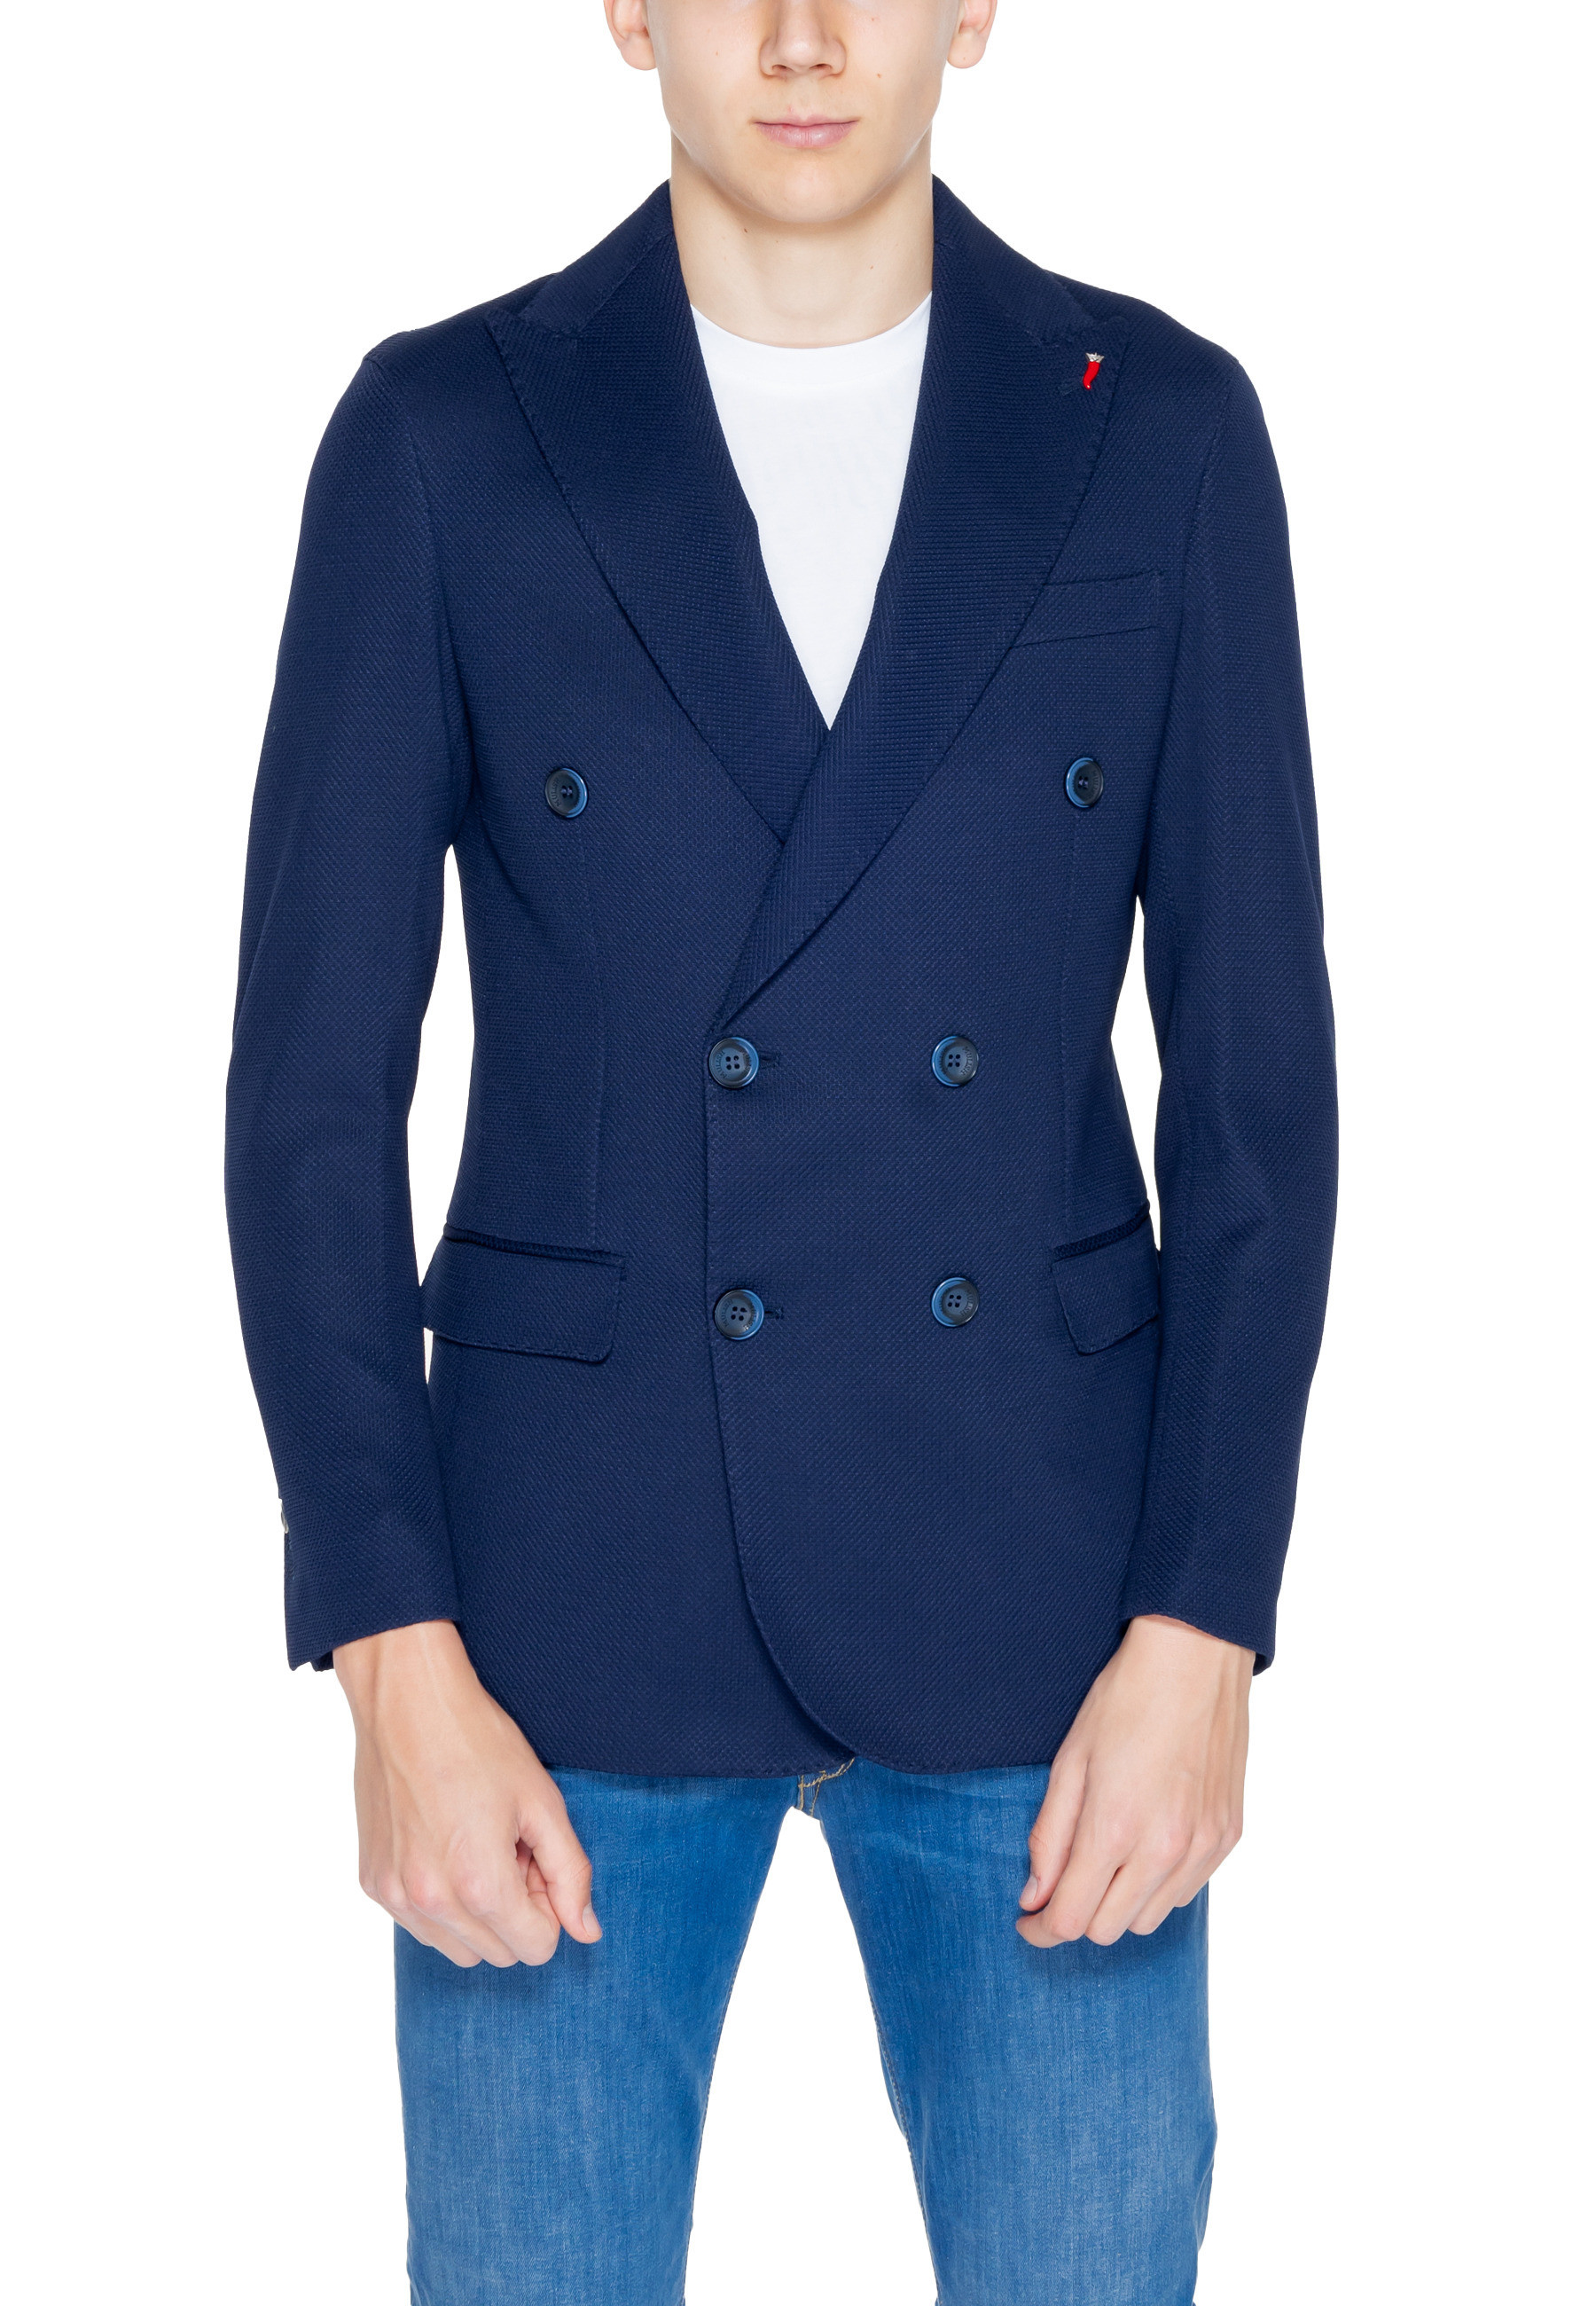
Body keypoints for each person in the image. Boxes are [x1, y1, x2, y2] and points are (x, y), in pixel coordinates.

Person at [225, 2, 1337, 2298]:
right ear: (629, 8)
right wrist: (392, 1656)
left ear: (977, 6)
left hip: (1060, 1625)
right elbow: (310, 1100)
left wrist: (1207, 1621)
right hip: (553, 1636)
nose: (808, 32)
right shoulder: (443, 435)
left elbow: (1257, 1094)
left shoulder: (1162, 432)